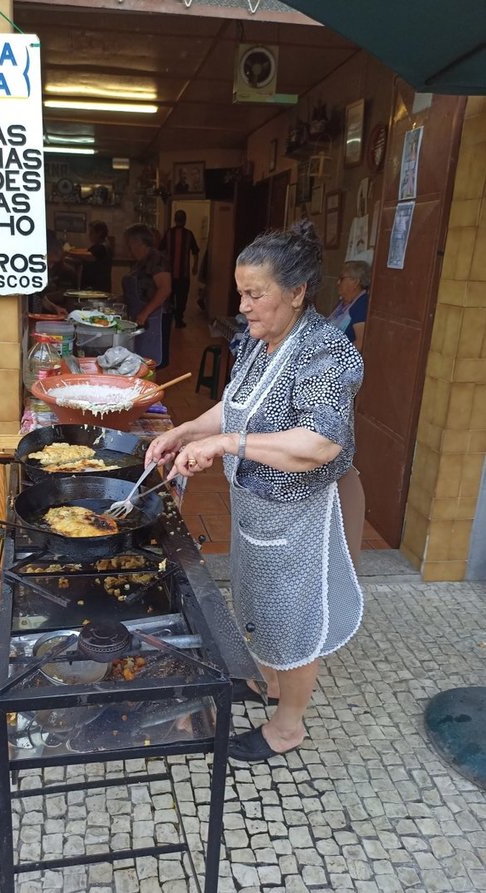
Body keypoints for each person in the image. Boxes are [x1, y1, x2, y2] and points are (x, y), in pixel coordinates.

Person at [145, 220, 365, 763]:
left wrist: (226, 445)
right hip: (255, 506)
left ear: (296, 293)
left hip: (299, 512)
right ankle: (269, 680)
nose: (243, 305)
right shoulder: (260, 341)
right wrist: (184, 431)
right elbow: (234, 407)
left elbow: (319, 443)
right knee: (258, 601)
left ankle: (288, 725)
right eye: (241, 292)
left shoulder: (326, 354)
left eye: (255, 294)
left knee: (293, 616)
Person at [122, 224, 172, 369]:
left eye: (129, 243)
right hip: (141, 318)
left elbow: (165, 289)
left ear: (137, 242)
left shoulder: (157, 260)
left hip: (154, 319)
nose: (127, 247)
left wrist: (145, 313)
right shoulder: (140, 262)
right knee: (140, 360)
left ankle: (151, 388)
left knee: (152, 360)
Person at [160, 210, 199, 328]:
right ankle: (178, 320)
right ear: (185, 220)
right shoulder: (188, 234)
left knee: (171, 298)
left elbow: (160, 250)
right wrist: (195, 266)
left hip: (172, 274)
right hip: (182, 274)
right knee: (181, 298)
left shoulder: (169, 233)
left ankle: (172, 319)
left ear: (174, 220)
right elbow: (195, 251)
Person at [326, 260, 370, 352]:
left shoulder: (362, 304)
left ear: (355, 282)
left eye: (342, 279)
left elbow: (360, 343)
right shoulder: (342, 303)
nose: (338, 282)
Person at [30, 229, 76, 316]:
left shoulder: (66, 271)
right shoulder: (29, 272)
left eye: (54, 263)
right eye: (49, 262)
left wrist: (55, 308)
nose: (51, 266)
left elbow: (41, 296)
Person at [76, 220, 113, 292]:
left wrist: (69, 253)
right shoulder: (101, 245)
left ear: (99, 233)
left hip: (97, 288)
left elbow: (87, 256)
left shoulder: (101, 247)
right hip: (97, 288)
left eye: (91, 232)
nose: (89, 235)